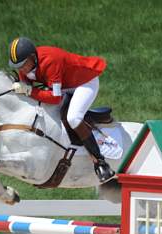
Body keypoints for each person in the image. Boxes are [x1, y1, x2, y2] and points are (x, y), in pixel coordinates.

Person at [8, 36, 115, 183]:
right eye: (18, 67)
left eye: (24, 65)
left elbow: (55, 97)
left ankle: (100, 163)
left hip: (84, 83)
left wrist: (27, 90)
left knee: (73, 118)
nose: (22, 69)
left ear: (33, 57)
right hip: (64, 85)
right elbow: (29, 91)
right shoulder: (25, 67)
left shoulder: (50, 60)